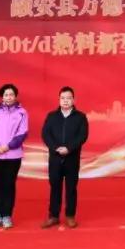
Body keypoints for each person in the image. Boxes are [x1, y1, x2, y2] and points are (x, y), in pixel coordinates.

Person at [41, 86, 89, 228]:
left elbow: (82, 136)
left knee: (71, 187)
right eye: (63, 98)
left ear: (73, 100)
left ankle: (70, 216)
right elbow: (45, 134)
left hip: (72, 158)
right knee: (54, 187)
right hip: (55, 158)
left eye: (68, 98)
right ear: (59, 100)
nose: (65, 101)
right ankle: (53, 216)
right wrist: (56, 148)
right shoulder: (51, 116)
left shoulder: (80, 117)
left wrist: (69, 148)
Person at [0, 83, 29, 229]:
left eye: (11, 95)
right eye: (6, 95)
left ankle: (7, 215)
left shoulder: (22, 112)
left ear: (15, 96)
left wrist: (7, 147)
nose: (8, 97)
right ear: (2, 97)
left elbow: (22, 133)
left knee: (9, 185)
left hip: (13, 155)